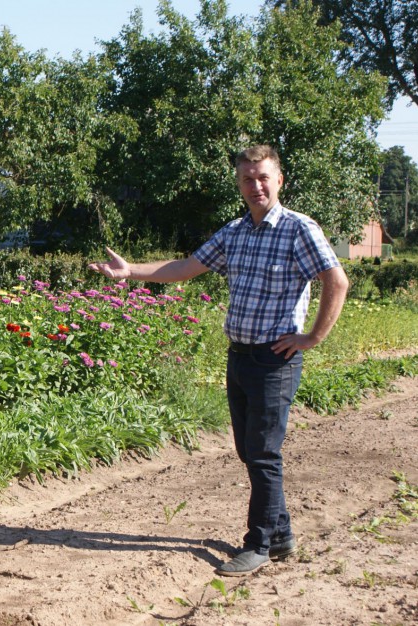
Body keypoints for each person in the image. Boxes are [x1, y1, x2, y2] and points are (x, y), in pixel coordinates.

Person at [89, 144, 349, 577]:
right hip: (240, 356)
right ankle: (281, 534)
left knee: (263, 453)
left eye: (263, 177)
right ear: (239, 184)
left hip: (276, 359)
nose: (256, 185)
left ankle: (259, 544)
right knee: (250, 451)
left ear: (279, 180)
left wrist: (313, 337)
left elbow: (336, 281)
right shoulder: (235, 231)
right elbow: (188, 266)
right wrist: (130, 270)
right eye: (248, 179)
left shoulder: (299, 229)